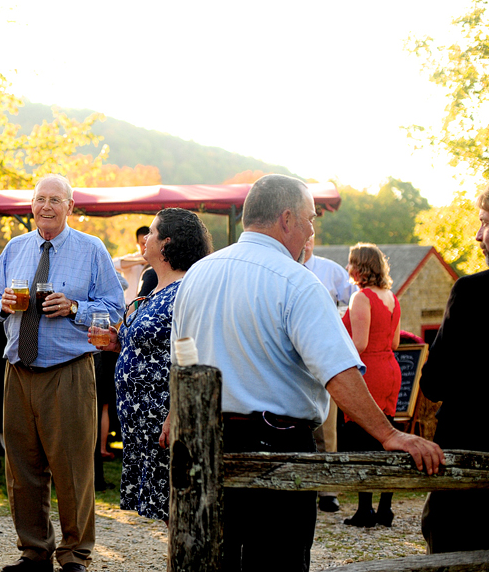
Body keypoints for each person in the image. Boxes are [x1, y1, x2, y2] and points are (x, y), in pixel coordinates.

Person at [170, 174, 444, 571]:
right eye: (310, 219)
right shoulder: (298, 282)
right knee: (278, 562)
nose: (312, 230)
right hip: (275, 443)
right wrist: (388, 433)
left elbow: (182, 358)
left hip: (204, 442)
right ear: (286, 219)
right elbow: (338, 370)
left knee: (213, 559)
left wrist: (176, 416)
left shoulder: (198, 274)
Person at [0, 174, 124, 572]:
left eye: (55, 200)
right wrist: (4, 304)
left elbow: (114, 310)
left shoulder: (91, 248)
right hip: (18, 371)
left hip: (68, 371)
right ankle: (34, 551)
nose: (47, 206)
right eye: (40, 199)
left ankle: (75, 554)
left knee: (73, 469)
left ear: (70, 207)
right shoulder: (15, 248)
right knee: (22, 469)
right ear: (31, 205)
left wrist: (76, 308)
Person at [99, 208, 211, 522]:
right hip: (142, 425)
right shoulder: (154, 288)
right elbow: (154, 344)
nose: (144, 239)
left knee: (180, 510)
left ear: (166, 244)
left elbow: (196, 355)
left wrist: (178, 412)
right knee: (166, 512)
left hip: (163, 420)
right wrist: (119, 343)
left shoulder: (186, 291)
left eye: (150, 232)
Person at [420, 184, 489, 553]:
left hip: (471, 456)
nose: (477, 235)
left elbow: (435, 382)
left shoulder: (471, 293)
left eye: (483, 222)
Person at [340, 243, 402, 528]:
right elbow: (394, 343)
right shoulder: (391, 296)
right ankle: (385, 509)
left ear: (360, 267)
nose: (348, 267)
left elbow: (360, 344)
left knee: (361, 436)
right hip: (390, 369)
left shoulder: (361, 297)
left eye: (351, 262)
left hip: (370, 371)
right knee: (388, 434)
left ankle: (365, 509)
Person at [302, 233, 359, 513]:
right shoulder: (280, 268)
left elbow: (356, 300)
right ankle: (303, 485)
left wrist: (338, 321)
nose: (306, 243)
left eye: (311, 238)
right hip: (293, 360)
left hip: (323, 355)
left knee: (328, 428)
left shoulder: (330, 270)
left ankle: (328, 490)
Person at [113, 225, 150, 304]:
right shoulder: (132, 258)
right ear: (137, 244)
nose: (145, 247)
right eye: (142, 244)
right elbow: (113, 264)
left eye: (147, 243)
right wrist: (141, 261)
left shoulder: (158, 260)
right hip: (129, 304)